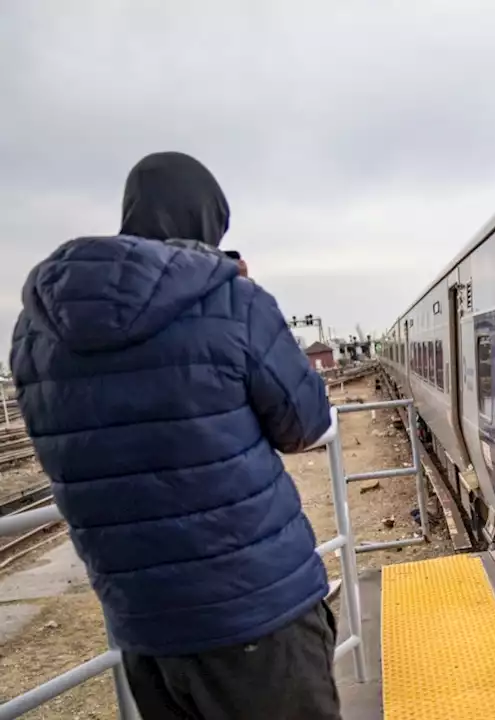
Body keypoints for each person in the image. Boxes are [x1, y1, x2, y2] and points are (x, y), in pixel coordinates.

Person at [8, 151, 340, 720]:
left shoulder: (34, 332)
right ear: (207, 222)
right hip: (256, 612)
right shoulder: (234, 302)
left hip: (145, 630)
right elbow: (305, 424)